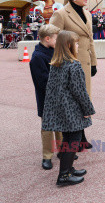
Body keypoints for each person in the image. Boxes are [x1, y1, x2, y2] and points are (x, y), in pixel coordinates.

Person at [42, 30, 95, 186]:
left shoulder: (56, 63)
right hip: (71, 110)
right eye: (77, 43)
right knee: (73, 141)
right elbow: (80, 91)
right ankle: (64, 175)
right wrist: (88, 110)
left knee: (67, 140)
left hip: (60, 109)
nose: (78, 46)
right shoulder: (74, 65)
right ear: (69, 46)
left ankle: (69, 169)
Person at [50, 0, 98, 149]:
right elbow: (53, 39)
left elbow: (90, 40)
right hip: (68, 64)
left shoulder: (87, 13)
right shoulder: (61, 14)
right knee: (72, 101)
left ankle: (82, 136)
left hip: (84, 62)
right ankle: (70, 142)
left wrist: (93, 62)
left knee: (84, 98)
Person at [29, 24, 62, 170]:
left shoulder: (54, 50)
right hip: (47, 98)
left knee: (61, 125)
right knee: (48, 128)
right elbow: (43, 82)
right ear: (47, 39)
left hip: (60, 95)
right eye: (57, 39)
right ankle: (47, 156)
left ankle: (62, 151)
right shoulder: (37, 57)